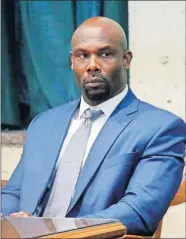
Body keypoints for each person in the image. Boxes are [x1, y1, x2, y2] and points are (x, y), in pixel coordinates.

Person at [2, 17, 186, 236]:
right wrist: (10, 224)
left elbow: (139, 211)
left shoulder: (160, 128)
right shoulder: (44, 123)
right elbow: (13, 194)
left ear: (126, 59)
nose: (92, 65)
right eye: (82, 55)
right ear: (72, 61)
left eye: (105, 54)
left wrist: (55, 232)